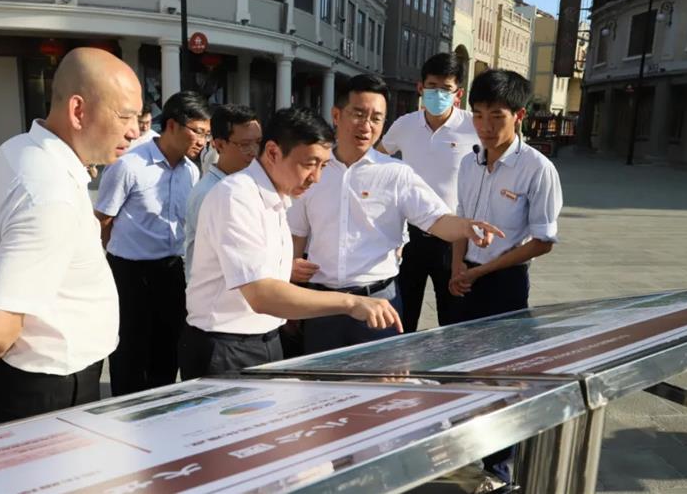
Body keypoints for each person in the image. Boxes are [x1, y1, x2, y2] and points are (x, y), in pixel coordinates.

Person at [0, 48, 142, 424]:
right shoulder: (51, 195)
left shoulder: (16, 150)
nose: (134, 130)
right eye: (125, 116)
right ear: (78, 110)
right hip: (52, 386)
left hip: (30, 372)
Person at [179, 107, 403, 379]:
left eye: (323, 166)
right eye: (309, 164)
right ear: (273, 152)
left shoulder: (278, 197)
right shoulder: (235, 196)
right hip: (226, 348)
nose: (316, 178)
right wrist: (351, 302)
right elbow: (262, 294)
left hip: (264, 339)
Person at [288, 75, 503, 354]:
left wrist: (466, 227)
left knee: (381, 379)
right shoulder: (313, 170)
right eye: (359, 114)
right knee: (320, 380)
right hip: (322, 305)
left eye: (376, 118)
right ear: (337, 115)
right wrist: (290, 288)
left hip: (379, 305)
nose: (367, 126)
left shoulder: (395, 174)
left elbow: (436, 219)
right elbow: (297, 234)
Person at [448, 69, 563, 485]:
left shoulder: (537, 168)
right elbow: (461, 221)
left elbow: (543, 240)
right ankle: (468, 450)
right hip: (465, 277)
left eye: (496, 115)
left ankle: (498, 469)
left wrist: (483, 270)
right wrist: (457, 267)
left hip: (505, 282)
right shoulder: (468, 162)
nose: (485, 126)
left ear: (519, 115)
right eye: (478, 115)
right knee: (464, 369)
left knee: (501, 375)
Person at [94, 91, 208, 396]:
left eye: (206, 135)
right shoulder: (129, 165)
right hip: (129, 273)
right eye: (197, 131)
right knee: (130, 351)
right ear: (171, 125)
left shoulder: (191, 171)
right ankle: (125, 412)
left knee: (167, 348)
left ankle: (160, 407)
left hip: (171, 270)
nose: (202, 141)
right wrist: (116, 254)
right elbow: (103, 219)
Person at [377, 53, 479, 333]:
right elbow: (377, 161)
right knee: (403, 316)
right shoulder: (405, 125)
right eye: (432, 87)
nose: (438, 94)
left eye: (446, 89)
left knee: (454, 316)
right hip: (410, 236)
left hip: (453, 237)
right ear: (420, 87)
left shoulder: (473, 127)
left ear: (458, 94)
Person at [184, 104, 261, 281]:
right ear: (219, 144)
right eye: (244, 145)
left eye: (258, 143)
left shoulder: (251, 184)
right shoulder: (209, 194)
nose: (254, 152)